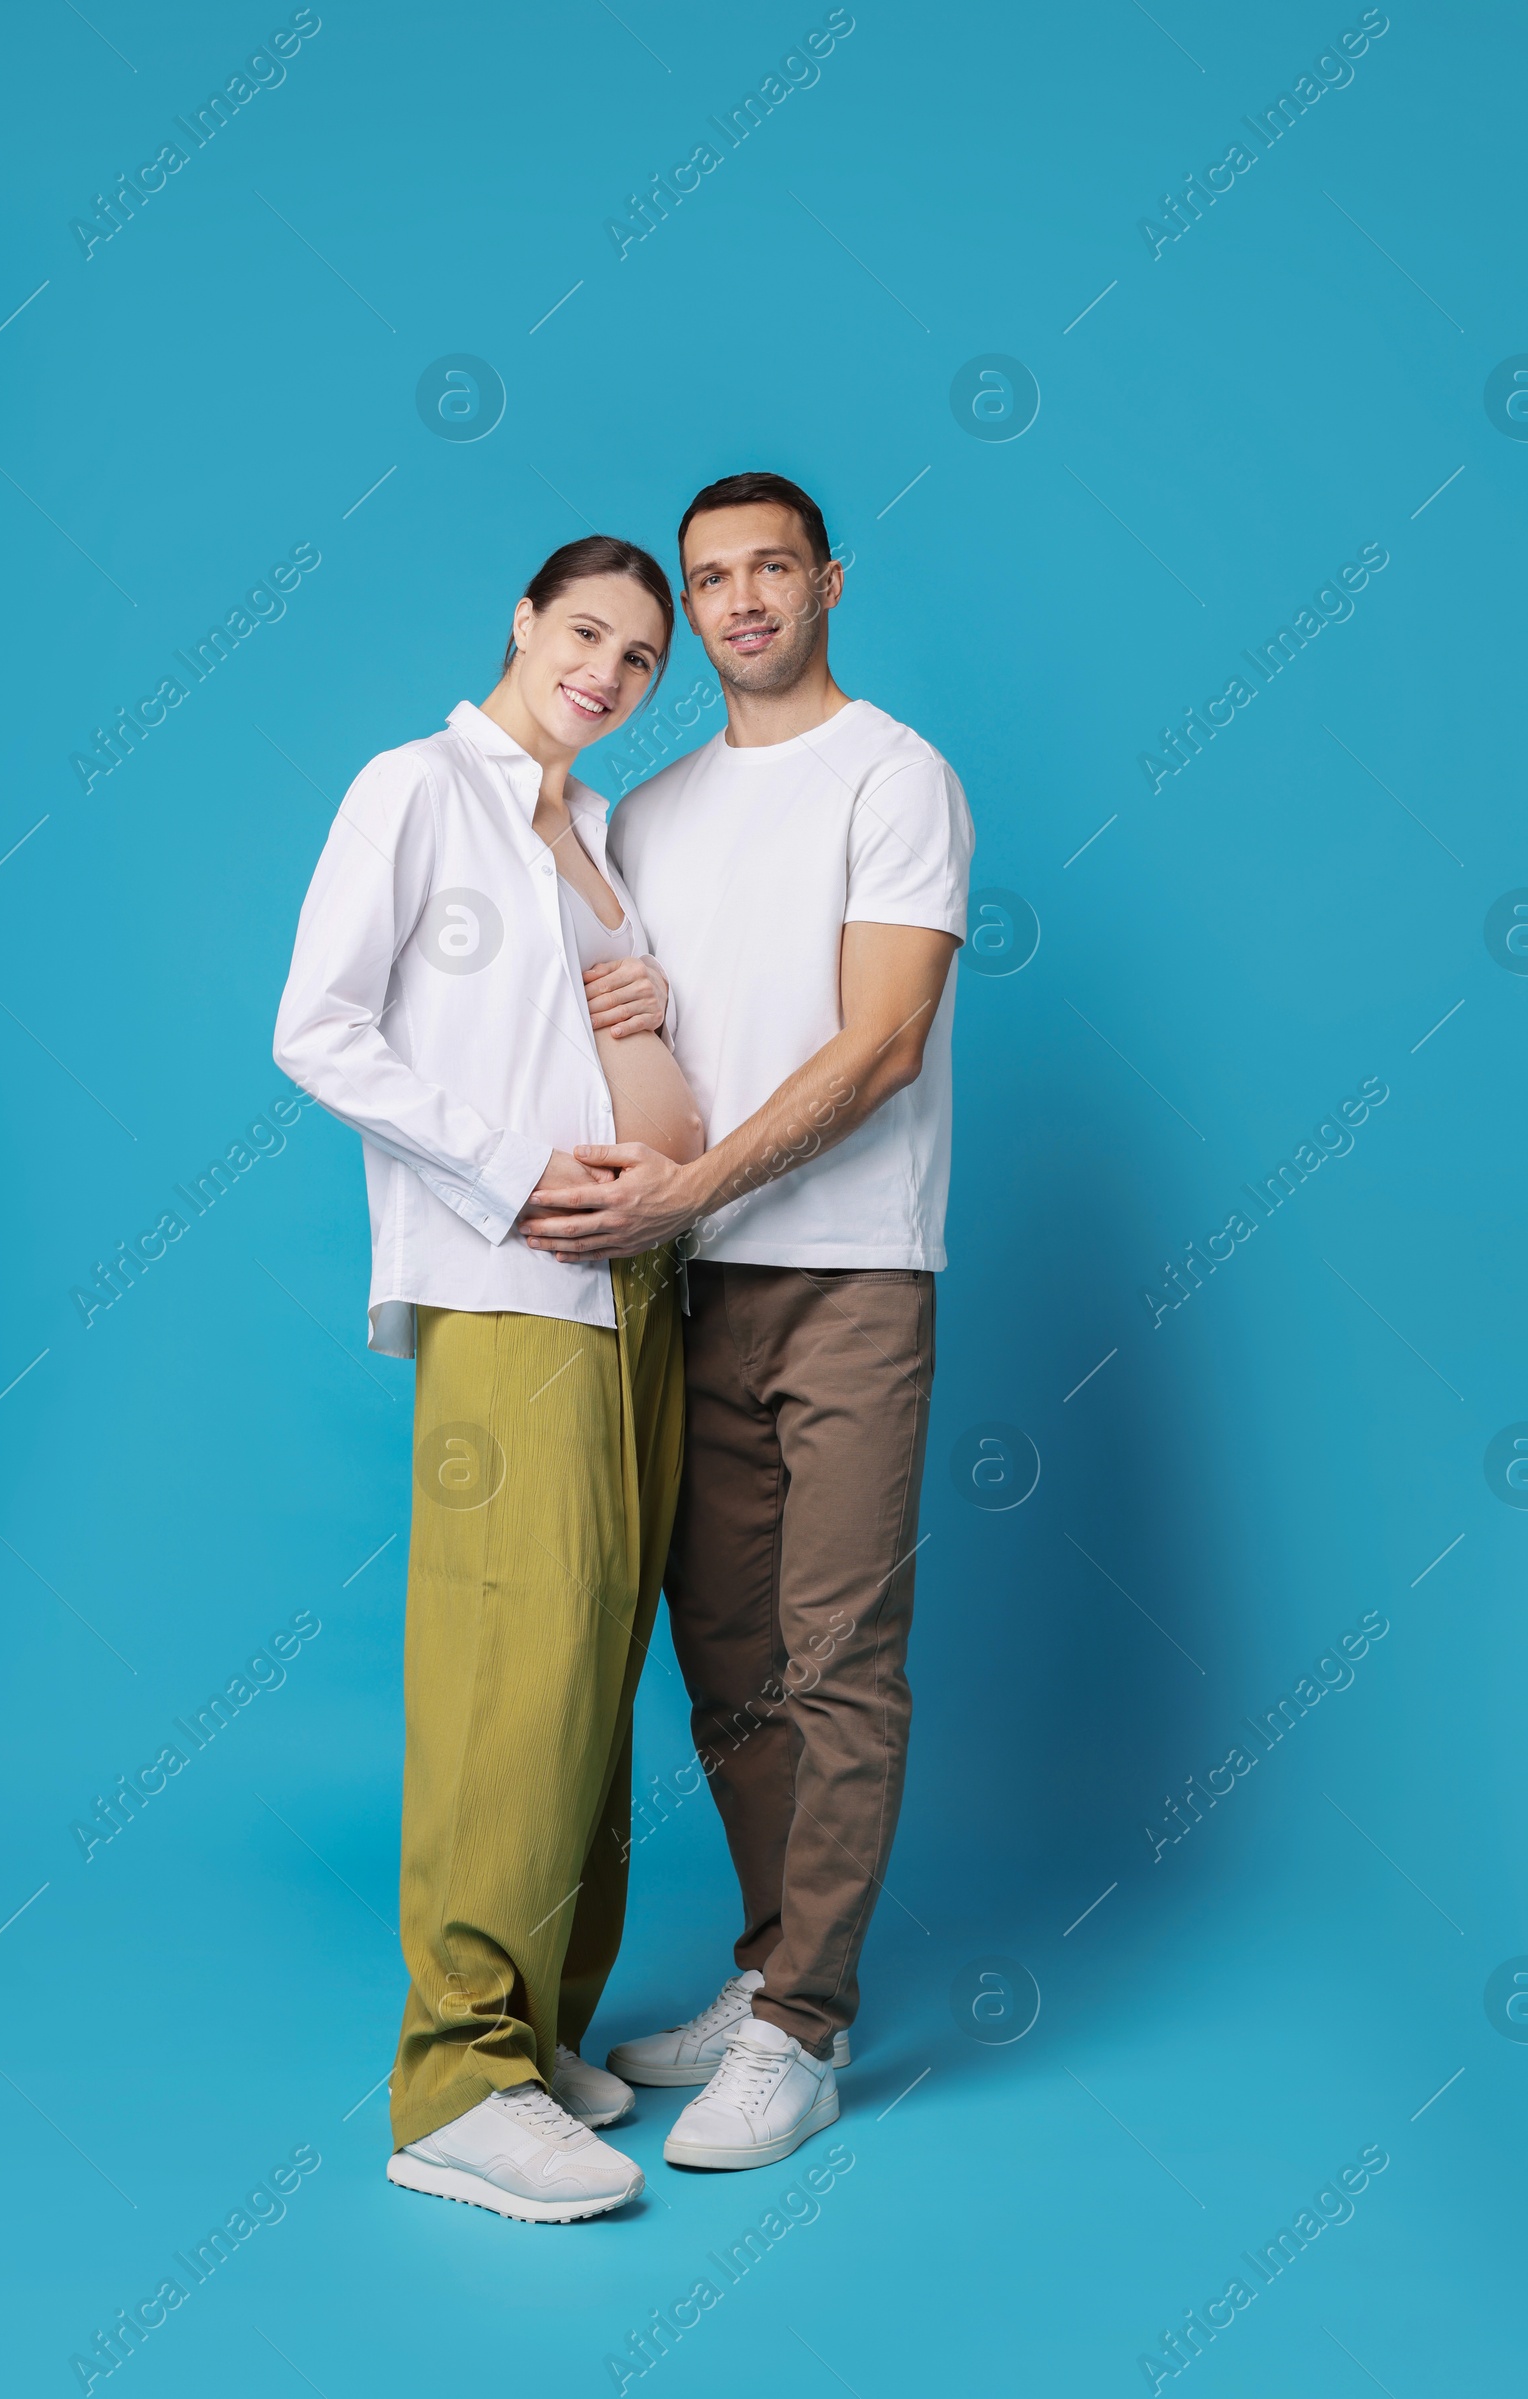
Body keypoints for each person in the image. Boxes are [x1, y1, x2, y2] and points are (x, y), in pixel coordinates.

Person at [524, 470, 974, 2173]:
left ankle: (804, 2030)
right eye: (708, 579)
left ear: (827, 583)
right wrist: (623, 1018)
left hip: (853, 1271)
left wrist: (680, 1195)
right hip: (689, 1285)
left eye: (767, 568)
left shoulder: (897, 774)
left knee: (840, 1654)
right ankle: (769, 1963)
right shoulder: (647, 812)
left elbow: (880, 1047)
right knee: (726, 1656)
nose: (736, 602)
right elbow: (653, 1063)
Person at [273, 534, 705, 2223]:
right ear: (522, 621)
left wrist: (651, 1014)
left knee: (595, 1664)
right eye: (585, 632)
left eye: (639, 661)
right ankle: (456, 2079)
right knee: (508, 1666)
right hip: (514, 1276)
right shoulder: (418, 787)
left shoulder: (595, 831)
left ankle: (545, 2033)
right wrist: (513, 1174)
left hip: (640, 1291)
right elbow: (320, 1028)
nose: (605, 671)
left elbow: (597, 1037)